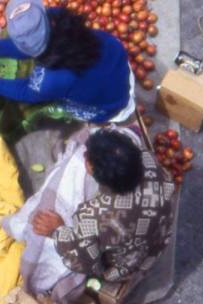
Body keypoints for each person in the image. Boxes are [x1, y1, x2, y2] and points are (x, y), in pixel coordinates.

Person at [29, 128, 176, 301]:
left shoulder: (91, 216)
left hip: (126, 265)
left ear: (91, 168)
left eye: (87, 157)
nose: (84, 156)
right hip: (157, 242)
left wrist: (57, 230)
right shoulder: (149, 160)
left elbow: (86, 261)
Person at [0, 0, 135, 125]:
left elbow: (25, 91)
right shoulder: (57, 18)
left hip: (107, 106)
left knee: (51, 101)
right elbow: (36, 41)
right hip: (117, 64)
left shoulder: (51, 79)